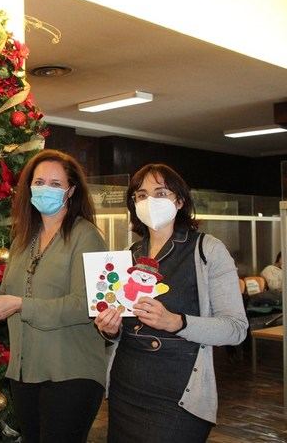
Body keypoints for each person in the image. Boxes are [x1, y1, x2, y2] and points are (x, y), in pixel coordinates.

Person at [95, 164, 247, 443]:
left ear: (179, 201)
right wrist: (109, 328)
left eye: (160, 192)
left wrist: (177, 322)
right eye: (141, 195)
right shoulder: (129, 255)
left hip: (179, 394)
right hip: (125, 386)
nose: (149, 201)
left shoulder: (207, 249)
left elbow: (236, 329)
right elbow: (120, 330)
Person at [0, 149, 110, 443]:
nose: (44, 189)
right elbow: (12, 300)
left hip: (71, 373)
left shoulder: (85, 236)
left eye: (55, 184)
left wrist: (21, 304)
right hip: (25, 372)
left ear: (71, 190)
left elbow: (84, 304)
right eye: (39, 182)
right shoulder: (24, 240)